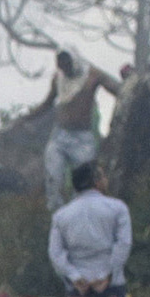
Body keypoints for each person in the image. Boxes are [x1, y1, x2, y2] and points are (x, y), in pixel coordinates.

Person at [40, 49, 121, 210]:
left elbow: (116, 88)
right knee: (53, 177)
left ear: (74, 59)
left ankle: (78, 216)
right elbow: (48, 102)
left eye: (66, 62)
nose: (64, 66)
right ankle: (56, 216)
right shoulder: (58, 78)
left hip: (83, 138)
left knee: (83, 185)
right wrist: (26, 118)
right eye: (60, 63)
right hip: (59, 136)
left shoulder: (91, 75)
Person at [47, 161, 132, 297]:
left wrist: (75, 277)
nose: (106, 180)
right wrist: (107, 275)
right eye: (103, 176)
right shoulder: (118, 208)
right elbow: (123, 244)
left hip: (78, 289)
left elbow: (55, 253)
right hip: (111, 287)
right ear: (96, 182)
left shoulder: (61, 215)